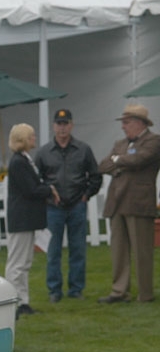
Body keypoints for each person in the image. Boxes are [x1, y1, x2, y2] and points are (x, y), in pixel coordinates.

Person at [34, 108, 102, 303]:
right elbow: (36, 179)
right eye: (59, 124)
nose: (62, 128)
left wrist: (86, 195)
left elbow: (95, 176)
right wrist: (47, 195)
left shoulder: (83, 149)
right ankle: (54, 290)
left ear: (71, 125)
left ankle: (76, 289)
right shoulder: (44, 152)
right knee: (53, 251)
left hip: (76, 206)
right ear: (54, 126)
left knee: (78, 249)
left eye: (66, 124)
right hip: (53, 208)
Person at [97, 103, 160, 303]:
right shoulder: (120, 144)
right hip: (117, 202)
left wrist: (117, 161)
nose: (123, 127)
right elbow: (103, 165)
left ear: (139, 123)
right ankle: (119, 291)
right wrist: (119, 163)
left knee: (142, 251)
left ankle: (145, 293)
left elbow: (139, 160)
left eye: (126, 123)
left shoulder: (154, 141)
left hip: (139, 203)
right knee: (118, 251)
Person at [5, 123, 59, 317]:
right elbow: (30, 190)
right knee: (17, 264)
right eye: (31, 136)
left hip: (26, 220)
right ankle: (14, 302)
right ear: (23, 139)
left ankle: (23, 301)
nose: (34, 139)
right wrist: (49, 189)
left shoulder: (25, 160)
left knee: (24, 262)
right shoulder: (19, 162)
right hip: (21, 219)